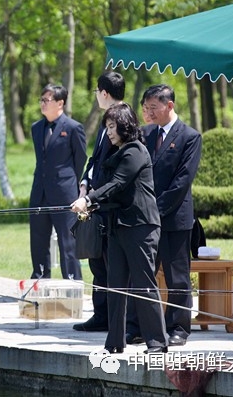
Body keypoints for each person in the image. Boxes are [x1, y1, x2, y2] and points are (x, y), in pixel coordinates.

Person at [70, 103, 168, 354]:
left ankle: (157, 342)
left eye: (112, 127)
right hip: (117, 227)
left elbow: (117, 183)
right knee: (114, 286)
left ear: (125, 125)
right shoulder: (115, 153)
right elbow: (107, 186)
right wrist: (90, 200)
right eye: (107, 127)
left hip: (140, 228)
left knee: (144, 284)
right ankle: (114, 342)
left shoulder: (135, 151)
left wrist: (88, 200)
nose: (109, 132)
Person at [127, 84, 202, 347]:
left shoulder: (190, 137)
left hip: (174, 219)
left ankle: (179, 327)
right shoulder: (144, 134)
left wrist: (156, 210)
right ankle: (137, 327)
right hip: (145, 220)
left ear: (169, 106)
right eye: (145, 108)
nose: (148, 113)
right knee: (143, 274)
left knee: (177, 276)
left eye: (153, 108)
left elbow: (182, 181)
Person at [73, 71, 125, 333]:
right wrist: (84, 183)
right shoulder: (106, 124)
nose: (96, 97)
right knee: (97, 262)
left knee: (110, 263)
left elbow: (115, 168)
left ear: (104, 93)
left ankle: (115, 318)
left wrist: (94, 194)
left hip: (110, 205)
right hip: (95, 202)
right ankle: (101, 314)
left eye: (96, 92)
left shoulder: (122, 121)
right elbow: (94, 161)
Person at [28, 84, 87, 280]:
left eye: (47, 100)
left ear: (60, 103)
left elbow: (80, 159)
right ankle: (39, 280)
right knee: (38, 240)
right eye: (41, 100)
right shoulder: (37, 128)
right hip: (40, 193)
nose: (43, 104)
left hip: (64, 193)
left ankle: (72, 281)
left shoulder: (73, 128)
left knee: (67, 242)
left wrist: (71, 183)